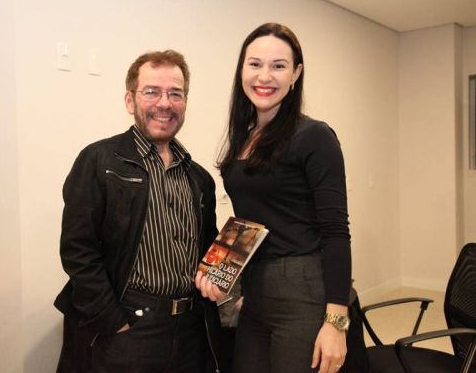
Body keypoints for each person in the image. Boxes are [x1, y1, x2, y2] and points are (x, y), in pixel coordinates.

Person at [196, 23, 352, 373]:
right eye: (255, 64)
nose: (264, 76)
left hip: (302, 290)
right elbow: (250, 221)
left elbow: (336, 231)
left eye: (278, 66)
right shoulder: (244, 136)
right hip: (255, 291)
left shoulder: (314, 136)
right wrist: (220, 273)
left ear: (295, 74)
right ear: (241, 70)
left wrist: (336, 323)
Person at [54, 50, 222, 373]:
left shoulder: (200, 178)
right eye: (152, 92)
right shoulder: (99, 161)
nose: (164, 103)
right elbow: (78, 251)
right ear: (130, 100)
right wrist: (112, 321)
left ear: (185, 102)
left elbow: (208, 249)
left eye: (175, 93)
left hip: (190, 334)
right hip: (128, 329)